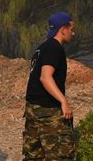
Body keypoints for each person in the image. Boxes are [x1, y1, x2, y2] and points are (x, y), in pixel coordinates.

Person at [22, 11, 76, 160]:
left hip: (33, 109)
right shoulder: (55, 48)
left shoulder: (42, 48)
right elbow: (45, 77)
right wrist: (63, 101)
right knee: (60, 155)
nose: (73, 33)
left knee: (34, 156)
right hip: (48, 111)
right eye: (71, 29)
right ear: (63, 29)